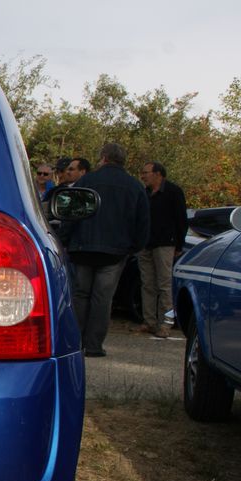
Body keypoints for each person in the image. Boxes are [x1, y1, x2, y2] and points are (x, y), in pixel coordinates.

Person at [65, 143, 150, 357]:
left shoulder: (87, 181)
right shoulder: (135, 186)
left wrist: (64, 240)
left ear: (103, 158)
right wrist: (134, 247)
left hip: (83, 246)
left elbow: (72, 213)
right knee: (102, 299)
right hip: (115, 251)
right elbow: (143, 222)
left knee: (80, 295)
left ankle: (75, 343)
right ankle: (93, 345)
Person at [137, 161, 188, 337]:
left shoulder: (173, 192)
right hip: (146, 243)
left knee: (164, 285)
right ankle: (149, 321)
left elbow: (182, 219)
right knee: (147, 284)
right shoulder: (144, 193)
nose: (142, 176)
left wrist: (179, 245)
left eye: (146, 172)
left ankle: (166, 323)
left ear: (158, 174)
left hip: (165, 243)